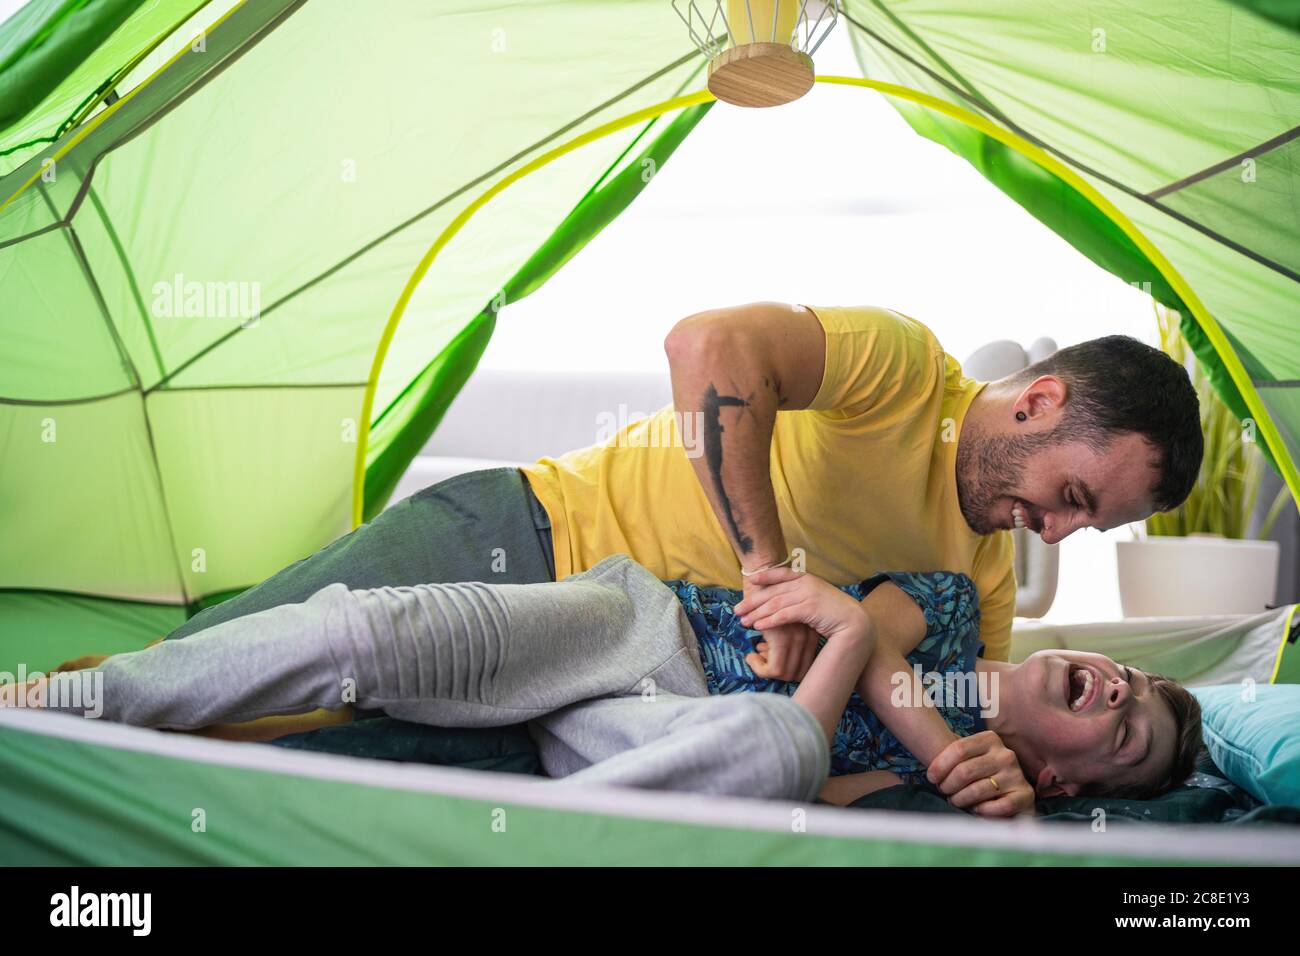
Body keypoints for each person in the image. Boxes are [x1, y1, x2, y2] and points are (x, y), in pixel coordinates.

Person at [156, 302, 1204, 681]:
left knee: (286, 740)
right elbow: (708, 345)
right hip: (525, 534)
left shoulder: (974, 576)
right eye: (1071, 493)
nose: (1058, 532)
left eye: (1088, 524)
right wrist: (769, 569)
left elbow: (968, 700)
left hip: (586, 671)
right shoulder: (902, 367)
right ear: (1038, 403)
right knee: (181, 674)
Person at [12, 555, 1202, 817]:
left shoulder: (989, 807)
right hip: (633, 629)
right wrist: (938, 728)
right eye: (1129, 674)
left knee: (771, 749)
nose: (1117, 680)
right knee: (380, 631)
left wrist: (983, 799)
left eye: (1130, 721)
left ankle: (513, 839)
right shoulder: (953, 607)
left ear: (1069, 772)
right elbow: (862, 630)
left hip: (647, 744)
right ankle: (61, 704)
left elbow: (793, 797)